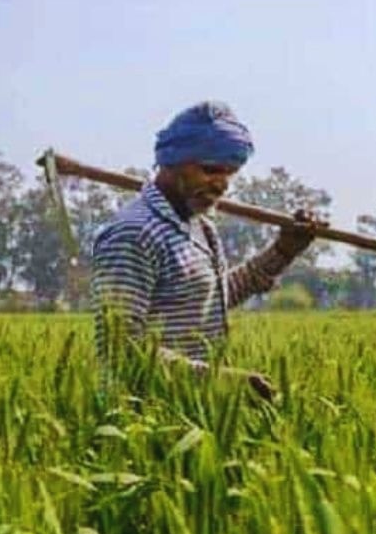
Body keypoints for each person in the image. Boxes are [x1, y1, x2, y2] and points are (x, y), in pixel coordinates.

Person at [91, 101, 322, 400]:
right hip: (141, 416)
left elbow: (214, 296)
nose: (222, 184)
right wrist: (221, 381)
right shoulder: (133, 234)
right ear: (172, 160)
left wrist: (283, 251)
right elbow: (120, 348)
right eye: (211, 169)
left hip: (193, 408)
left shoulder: (198, 226)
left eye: (230, 173)